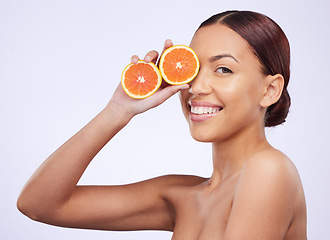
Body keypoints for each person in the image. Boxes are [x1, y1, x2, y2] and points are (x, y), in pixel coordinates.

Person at [17, 10, 307, 239]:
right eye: (192, 68)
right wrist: (118, 111)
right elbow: (38, 205)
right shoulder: (184, 196)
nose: (196, 87)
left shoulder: (269, 170)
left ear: (270, 90)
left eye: (223, 69)